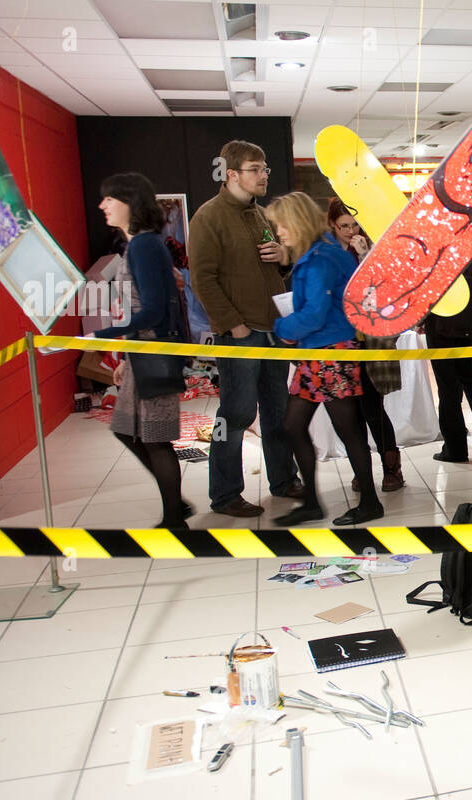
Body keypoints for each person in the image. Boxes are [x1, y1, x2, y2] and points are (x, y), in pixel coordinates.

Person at [187, 140, 302, 518]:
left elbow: (279, 267)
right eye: (255, 169)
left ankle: (283, 480)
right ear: (232, 173)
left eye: (265, 168)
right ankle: (224, 494)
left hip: (272, 331)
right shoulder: (208, 217)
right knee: (234, 414)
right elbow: (202, 280)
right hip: (241, 333)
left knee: (277, 410)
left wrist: (285, 256)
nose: (264, 175)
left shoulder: (262, 216)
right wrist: (232, 326)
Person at [266, 192, 383, 527]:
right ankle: (314, 502)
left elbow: (315, 313)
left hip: (330, 352)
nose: (279, 232)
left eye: (281, 225)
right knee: (297, 425)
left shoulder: (320, 258)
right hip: (321, 352)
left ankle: (369, 502)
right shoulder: (323, 253)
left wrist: (281, 327)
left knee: (347, 428)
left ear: (297, 222)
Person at [94, 172, 190, 529]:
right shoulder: (138, 245)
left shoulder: (145, 246)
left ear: (130, 204)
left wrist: (106, 335)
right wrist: (125, 355)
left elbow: (152, 310)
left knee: (156, 438)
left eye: (110, 199)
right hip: (143, 351)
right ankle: (176, 506)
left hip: (154, 351)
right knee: (126, 428)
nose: (103, 205)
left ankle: (175, 520)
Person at [327, 198, 404, 492]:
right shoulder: (329, 253)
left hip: (370, 340)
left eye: (354, 224)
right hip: (340, 341)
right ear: (333, 225)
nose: (350, 230)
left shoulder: (372, 251)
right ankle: (362, 470)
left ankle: (392, 469)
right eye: (344, 225)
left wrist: (365, 256)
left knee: (373, 408)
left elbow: (385, 292)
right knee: (351, 413)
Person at [424, 256, 472, 462]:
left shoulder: (432, 248)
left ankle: (455, 448)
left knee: (448, 389)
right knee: (471, 382)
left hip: (441, 323)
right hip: (465, 322)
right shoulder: (466, 244)